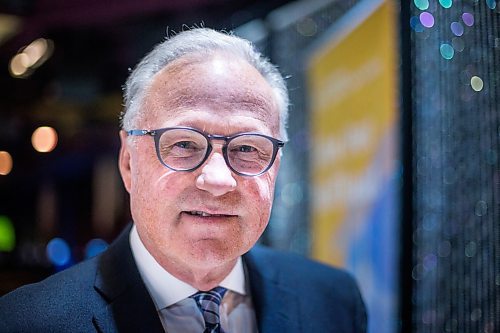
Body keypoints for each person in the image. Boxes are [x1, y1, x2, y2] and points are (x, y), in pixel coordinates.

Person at [0, 27, 366, 332]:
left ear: (276, 166)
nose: (218, 179)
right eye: (185, 144)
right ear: (128, 163)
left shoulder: (333, 301)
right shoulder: (28, 322)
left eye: (247, 149)